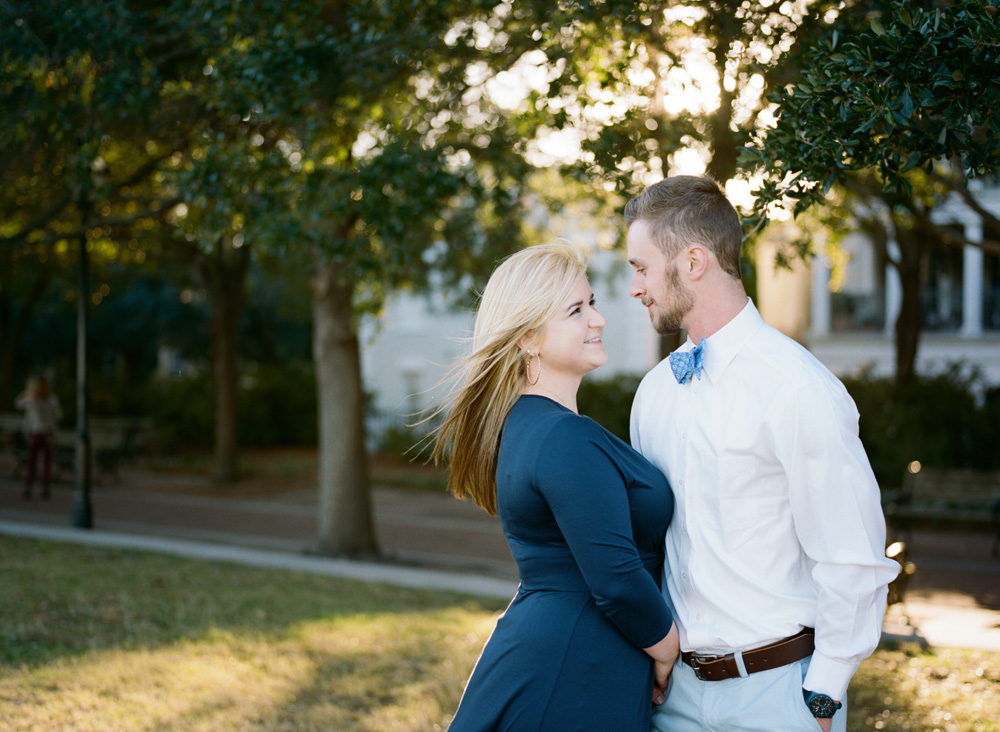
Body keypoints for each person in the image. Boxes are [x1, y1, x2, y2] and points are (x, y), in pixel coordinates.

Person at [624, 176, 899, 732]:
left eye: (641, 267)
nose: (636, 287)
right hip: (674, 698)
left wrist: (823, 693)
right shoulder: (653, 393)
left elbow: (852, 554)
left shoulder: (798, 389)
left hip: (780, 696)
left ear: (694, 261)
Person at [431, 241, 680, 732]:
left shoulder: (526, 424)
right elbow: (615, 579)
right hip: (572, 666)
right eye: (576, 310)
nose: (598, 319)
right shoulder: (564, 436)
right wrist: (668, 647)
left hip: (561, 652)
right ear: (528, 338)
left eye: (592, 303)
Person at [15, 375, 62, 501]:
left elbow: (18, 403)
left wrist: (25, 394)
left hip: (37, 432)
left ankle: (29, 487)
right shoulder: (50, 399)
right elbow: (58, 415)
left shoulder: (36, 399)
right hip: (46, 432)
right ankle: (44, 487)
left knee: (32, 461)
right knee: (45, 462)